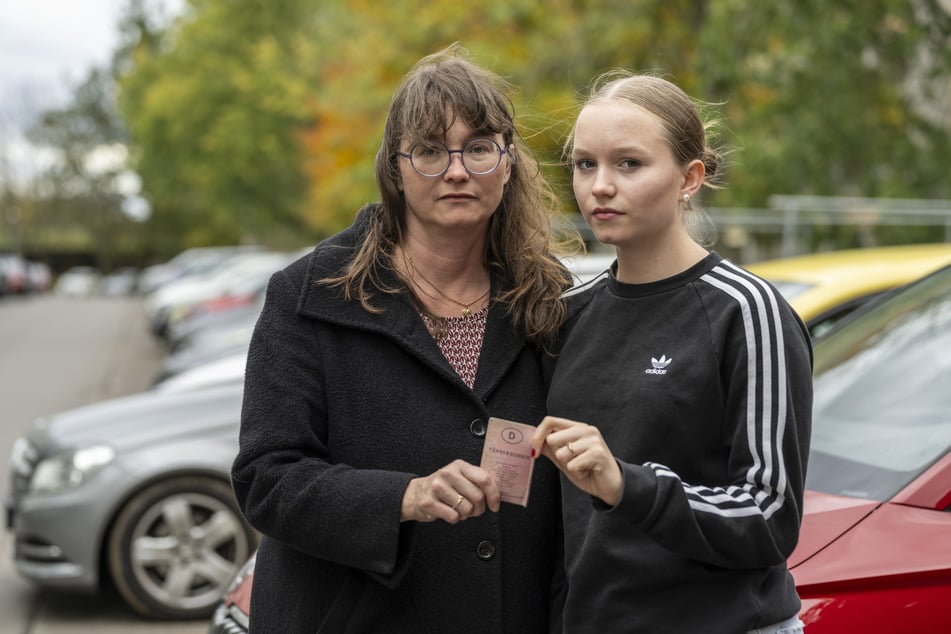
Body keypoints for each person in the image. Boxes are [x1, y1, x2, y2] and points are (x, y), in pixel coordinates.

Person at [231, 44, 577, 633]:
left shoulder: (545, 299)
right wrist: (405, 497)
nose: (458, 170)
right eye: (430, 151)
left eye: (478, 147)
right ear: (395, 167)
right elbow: (266, 478)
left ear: (509, 161)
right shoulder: (311, 295)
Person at [531, 71, 813, 634]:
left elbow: (770, 515)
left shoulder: (747, 309)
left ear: (690, 178)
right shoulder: (566, 314)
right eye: (585, 164)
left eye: (629, 163)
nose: (600, 186)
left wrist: (626, 484)